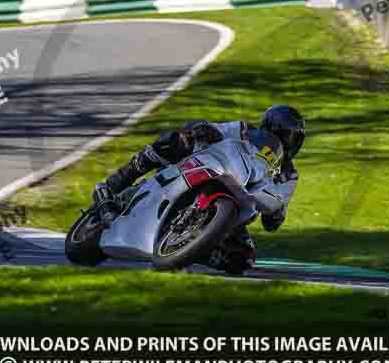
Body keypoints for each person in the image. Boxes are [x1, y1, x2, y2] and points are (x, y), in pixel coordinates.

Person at [93, 105, 305, 266]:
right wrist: (203, 129)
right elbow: (216, 130)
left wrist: (275, 212)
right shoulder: (244, 130)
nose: (287, 141)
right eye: (285, 134)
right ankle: (117, 183)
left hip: (241, 202)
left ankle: (191, 248)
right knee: (173, 140)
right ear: (268, 126)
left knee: (244, 257)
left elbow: (275, 215)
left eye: (293, 137)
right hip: (212, 167)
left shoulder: (290, 174)